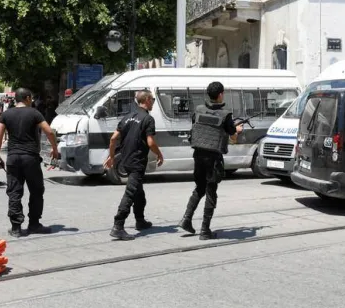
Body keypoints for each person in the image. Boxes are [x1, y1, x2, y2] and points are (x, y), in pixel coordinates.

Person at [178, 81, 243, 240]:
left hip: (198, 155)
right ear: (220, 94)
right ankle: (205, 230)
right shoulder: (226, 114)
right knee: (211, 192)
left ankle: (186, 218)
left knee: (199, 188)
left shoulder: (199, 110)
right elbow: (232, 133)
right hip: (213, 158)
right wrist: (237, 129)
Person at [0, 88, 58, 238]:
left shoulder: (6, 114)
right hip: (30, 157)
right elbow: (49, 131)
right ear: (27, 98)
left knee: (14, 191)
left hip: (13, 157)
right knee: (36, 191)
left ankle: (16, 227)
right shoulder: (34, 113)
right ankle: (34, 224)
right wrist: (54, 148)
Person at [104, 90, 164, 241]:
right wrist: (159, 154)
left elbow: (113, 139)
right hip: (137, 161)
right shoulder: (148, 119)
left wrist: (111, 157)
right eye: (153, 100)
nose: (153, 103)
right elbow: (150, 142)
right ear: (148, 100)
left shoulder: (127, 117)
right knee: (131, 192)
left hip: (125, 160)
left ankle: (140, 220)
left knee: (139, 193)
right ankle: (118, 225)